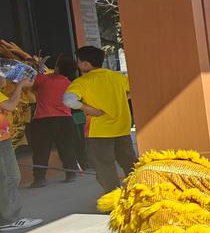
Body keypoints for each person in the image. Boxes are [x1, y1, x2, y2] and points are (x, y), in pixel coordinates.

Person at [63, 46, 137, 191]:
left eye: (78, 61)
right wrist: (122, 99)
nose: (77, 64)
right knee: (130, 164)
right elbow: (135, 90)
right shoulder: (117, 77)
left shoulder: (83, 81)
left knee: (104, 167)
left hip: (98, 131)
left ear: (85, 64)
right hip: (122, 128)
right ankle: (139, 192)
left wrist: (87, 109)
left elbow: (68, 100)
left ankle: (113, 198)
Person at [29, 55, 83, 186]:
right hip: (65, 119)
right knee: (67, 147)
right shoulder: (70, 84)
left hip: (43, 120)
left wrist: (40, 69)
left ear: (57, 68)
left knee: (41, 150)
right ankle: (71, 173)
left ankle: (39, 179)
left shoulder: (44, 79)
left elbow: (33, 85)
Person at [0, 76, 43, 233]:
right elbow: (11, 106)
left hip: (3, 137)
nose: (4, 79)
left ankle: (8, 217)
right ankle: (9, 219)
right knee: (7, 178)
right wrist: (20, 86)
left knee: (10, 177)